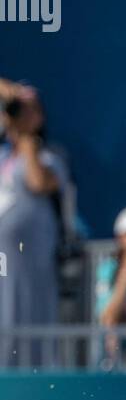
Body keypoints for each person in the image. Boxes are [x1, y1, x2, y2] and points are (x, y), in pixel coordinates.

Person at [0, 82, 69, 367]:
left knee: (28, 311)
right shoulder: (3, 157)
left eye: (29, 111)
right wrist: (11, 93)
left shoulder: (49, 156)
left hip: (31, 260)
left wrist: (28, 140)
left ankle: (33, 375)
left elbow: (39, 183)